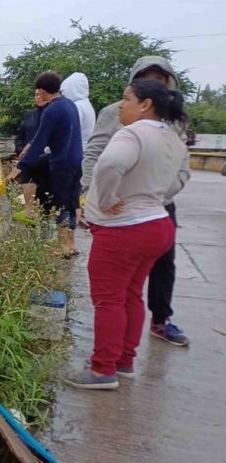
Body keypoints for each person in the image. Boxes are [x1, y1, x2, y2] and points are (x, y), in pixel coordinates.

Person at [66, 79, 189, 390]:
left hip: (125, 230)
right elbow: (179, 179)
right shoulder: (172, 137)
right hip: (158, 225)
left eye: (127, 98)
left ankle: (102, 369)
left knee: (108, 300)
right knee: (131, 295)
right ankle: (124, 361)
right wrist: (153, 198)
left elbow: (108, 164)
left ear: (145, 104)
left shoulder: (133, 133)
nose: (122, 105)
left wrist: (105, 200)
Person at [82, 56, 191, 347]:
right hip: (120, 208)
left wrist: (154, 196)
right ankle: (123, 359)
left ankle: (156, 323)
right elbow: (96, 155)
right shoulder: (116, 114)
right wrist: (93, 194)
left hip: (151, 207)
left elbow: (181, 168)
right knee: (124, 288)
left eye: (160, 79)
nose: (154, 84)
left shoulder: (170, 122)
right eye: (147, 78)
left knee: (126, 287)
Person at [8, 72, 83, 256]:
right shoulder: (70, 104)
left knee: (61, 204)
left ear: (41, 91)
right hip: (76, 160)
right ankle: (72, 245)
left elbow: (40, 141)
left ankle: (63, 247)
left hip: (62, 163)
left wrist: (19, 167)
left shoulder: (52, 109)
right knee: (73, 202)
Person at [62, 72, 96, 227]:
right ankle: (72, 234)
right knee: (74, 196)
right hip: (83, 154)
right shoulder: (87, 105)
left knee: (67, 197)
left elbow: (68, 132)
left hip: (73, 155)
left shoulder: (76, 107)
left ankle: (68, 232)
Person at [13, 91, 50, 219]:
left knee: (45, 194)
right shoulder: (29, 116)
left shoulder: (52, 115)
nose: (39, 97)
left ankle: (45, 220)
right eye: (36, 95)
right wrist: (20, 150)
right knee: (28, 184)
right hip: (28, 160)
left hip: (46, 161)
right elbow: (19, 136)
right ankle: (29, 214)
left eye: (42, 94)